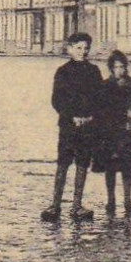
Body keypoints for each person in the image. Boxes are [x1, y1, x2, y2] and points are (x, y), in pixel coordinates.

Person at [42, 31, 104, 222]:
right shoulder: (63, 72)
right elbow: (57, 99)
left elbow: (100, 98)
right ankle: (55, 205)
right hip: (68, 126)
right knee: (63, 162)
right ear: (69, 49)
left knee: (83, 163)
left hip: (88, 127)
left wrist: (91, 116)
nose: (83, 52)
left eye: (86, 48)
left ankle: (77, 206)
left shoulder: (94, 71)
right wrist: (72, 116)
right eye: (78, 48)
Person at [94, 50, 131, 216]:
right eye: (116, 67)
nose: (119, 70)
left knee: (127, 166)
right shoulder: (105, 86)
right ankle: (110, 201)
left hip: (128, 132)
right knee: (110, 168)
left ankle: (128, 200)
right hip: (111, 133)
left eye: (122, 67)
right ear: (111, 68)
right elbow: (101, 110)